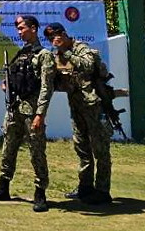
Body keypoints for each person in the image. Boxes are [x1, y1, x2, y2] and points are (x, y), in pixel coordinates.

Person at [0, 15, 56, 213]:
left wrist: (40, 114)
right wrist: (7, 84)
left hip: (32, 111)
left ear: (33, 28)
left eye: (22, 28)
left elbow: (46, 88)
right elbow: (14, 77)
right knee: (8, 148)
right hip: (15, 108)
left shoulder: (44, 55)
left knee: (36, 151)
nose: (19, 32)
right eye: (18, 28)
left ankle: (40, 193)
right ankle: (3, 187)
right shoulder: (21, 53)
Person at [45, 22, 114, 205]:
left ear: (63, 34)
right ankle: (85, 187)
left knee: (100, 149)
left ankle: (103, 190)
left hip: (93, 107)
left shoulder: (81, 48)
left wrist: (66, 52)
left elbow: (87, 65)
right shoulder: (56, 55)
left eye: (55, 36)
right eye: (50, 38)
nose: (53, 40)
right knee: (82, 148)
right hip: (76, 107)